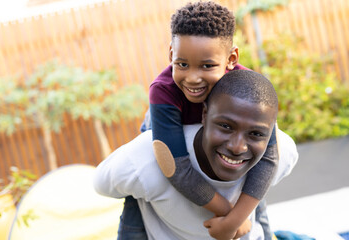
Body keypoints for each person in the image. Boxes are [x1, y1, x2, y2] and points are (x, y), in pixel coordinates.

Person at [119, 1, 283, 239]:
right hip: (167, 140)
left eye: (207, 65)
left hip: (218, 153)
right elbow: (174, 166)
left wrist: (239, 217)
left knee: (252, 186)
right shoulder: (163, 92)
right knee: (138, 195)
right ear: (171, 54)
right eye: (182, 64)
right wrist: (231, 217)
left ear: (231, 58)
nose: (193, 78)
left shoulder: (248, 89)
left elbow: (268, 157)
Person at [94, 70, 299, 240]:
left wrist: (237, 218)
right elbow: (100, 183)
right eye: (226, 126)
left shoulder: (281, 153)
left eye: (255, 133)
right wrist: (232, 217)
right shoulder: (144, 162)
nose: (238, 147)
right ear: (204, 115)